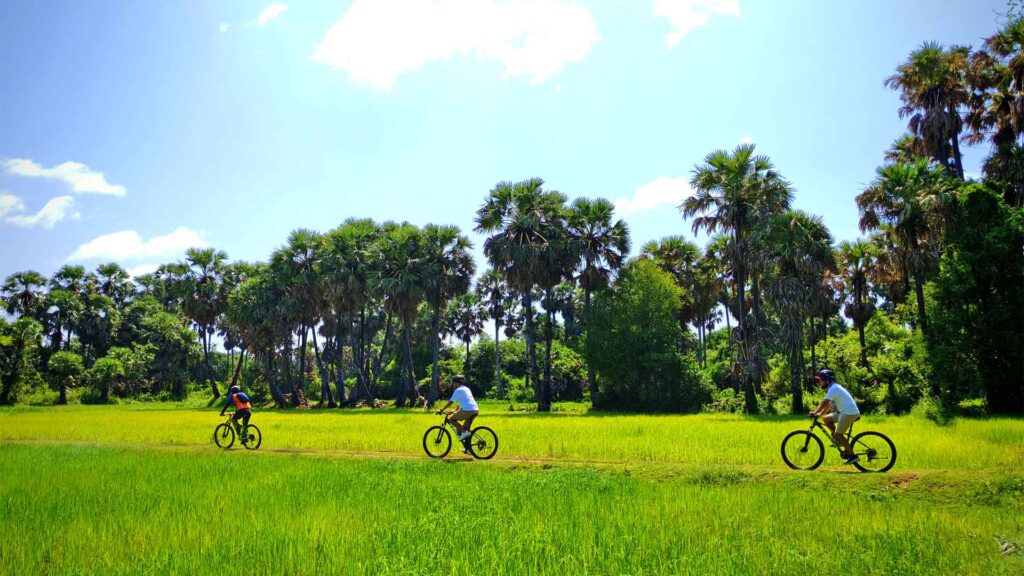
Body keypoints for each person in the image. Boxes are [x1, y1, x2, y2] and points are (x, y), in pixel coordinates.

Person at [809, 369, 861, 464]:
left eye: (820, 380)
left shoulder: (834, 389)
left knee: (838, 434)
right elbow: (828, 404)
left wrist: (815, 412)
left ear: (827, 380)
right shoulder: (833, 387)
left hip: (849, 413)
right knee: (826, 419)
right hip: (844, 412)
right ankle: (839, 440)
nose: (819, 382)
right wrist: (820, 414)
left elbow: (824, 402)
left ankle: (853, 455)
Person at [435, 375, 479, 451]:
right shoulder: (466, 389)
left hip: (468, 410)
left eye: (454, 383)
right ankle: (468, 449)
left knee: (451, 419)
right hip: (475, 410)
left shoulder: (458, 390)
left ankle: (464, 433)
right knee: (466, 429)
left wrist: (441, 410)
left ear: (457, 383)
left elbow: (450, 402)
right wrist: (454, 411)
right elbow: (461, 403)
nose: (453, 384)